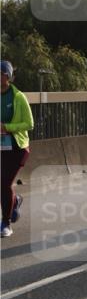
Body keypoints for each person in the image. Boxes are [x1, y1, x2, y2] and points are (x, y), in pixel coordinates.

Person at [1, 60, 34, 238]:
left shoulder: (18, 96)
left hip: (17, 147)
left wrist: (7, 127)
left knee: (4, 183)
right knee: (2, 185)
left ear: (8, 77)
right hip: (0, 147)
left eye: (1, 74)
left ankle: (5, 223)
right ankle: (15, 201)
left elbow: (29, 124)